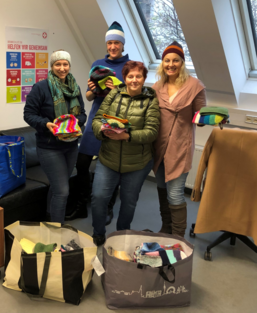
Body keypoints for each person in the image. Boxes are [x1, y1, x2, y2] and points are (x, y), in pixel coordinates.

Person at [66, 21, 130, 224]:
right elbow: (88, 97)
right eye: (110, 43)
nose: (113, 47)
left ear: (122, 45)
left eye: (116, 43)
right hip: (95, 120)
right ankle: (82, 205)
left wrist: (115, 90)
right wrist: (93, 89)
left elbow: (132, 100)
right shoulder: (97, 64)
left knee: (113, 166)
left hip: (115, 121)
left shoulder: (130, 67)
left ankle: (108, 206)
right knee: (82, 164)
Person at [91, 61, 160, 246]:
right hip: (108, 158)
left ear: (144, 79)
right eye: (130, 76)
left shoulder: (151, 100)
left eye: (138, 76)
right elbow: (97, 119)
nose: (134, 80)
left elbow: (152, 132)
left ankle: (121, 236)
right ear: (125, 78)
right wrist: (102, 131)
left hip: (137, 163)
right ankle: (98, 232)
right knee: (98, 198)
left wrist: (127, 137)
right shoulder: (114, 93)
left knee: (129, 203)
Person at [23, 50, 87, 224]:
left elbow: (82, 114)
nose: (62, 68)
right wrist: (46, 124)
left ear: (69, 66)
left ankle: (50, 218)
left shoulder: (75, 87)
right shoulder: (41, 88)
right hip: (49, 147)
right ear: (51, 67)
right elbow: (28, 114)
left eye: (65, 64)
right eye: (58, 64)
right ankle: (58, 233)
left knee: (58, 186)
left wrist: (75, 122)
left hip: (71, 145)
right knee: (62, 191)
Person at [152, 41, 206, 237]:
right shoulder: (158, 86)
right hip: (158, 147)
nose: (171, 64)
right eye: (167, 60)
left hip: (180, 147)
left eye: (175, 60)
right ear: (162, 63)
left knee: (174, 194)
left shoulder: (195, 86)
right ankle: (165, 228)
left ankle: (177, 236)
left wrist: (209, 118)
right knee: (161, 190)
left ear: (182, 63)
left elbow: (200, 117)